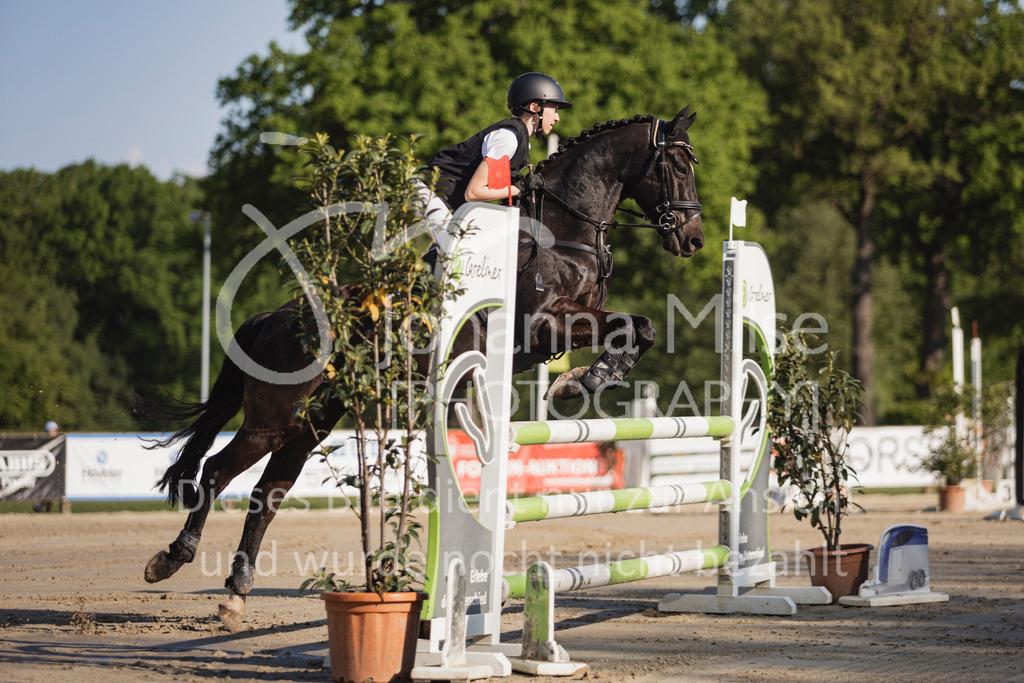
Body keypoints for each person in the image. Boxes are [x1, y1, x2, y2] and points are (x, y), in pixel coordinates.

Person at [418, 72, 572, 241]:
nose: (557, 118)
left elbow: (493, 189)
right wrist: (521, 188)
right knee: (460, 253)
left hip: (446, 201)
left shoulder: (518, 140)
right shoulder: (507, 139)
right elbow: (474, 192)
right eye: (554, 110)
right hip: (428, 192)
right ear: (535, 108)